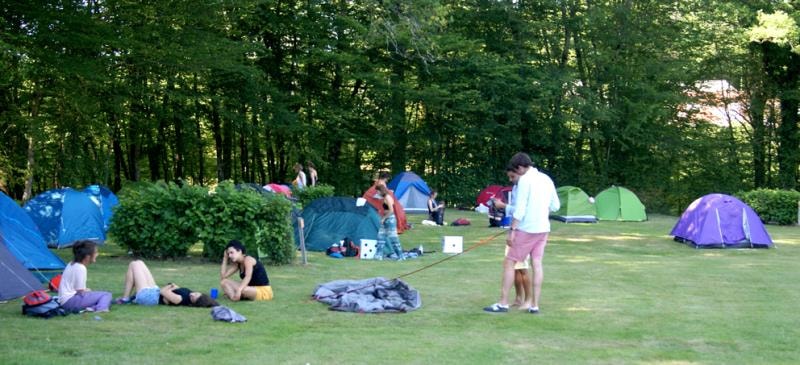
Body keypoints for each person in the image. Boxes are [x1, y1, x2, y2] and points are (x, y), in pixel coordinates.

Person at [484, 152, 559, 314]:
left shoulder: (525, 180)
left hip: (527, 228)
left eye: (516, 171)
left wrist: (512, 230)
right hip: (543, 228)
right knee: (537, 264)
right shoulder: (546, 179)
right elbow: (556, 206)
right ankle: (535, 305)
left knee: (509, 262)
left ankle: (503, 303)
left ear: (520, 167)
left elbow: (520, 209)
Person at [491, 167, 531, 308]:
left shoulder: (526, 187)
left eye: (512, 176)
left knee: (523, 268)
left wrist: (503, 205)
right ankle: (519, 298)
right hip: (514, 229)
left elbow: (521, 210)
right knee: (514, 268)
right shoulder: (516, 188)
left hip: (523, 231)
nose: (510, 180)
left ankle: (529, 300)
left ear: (520, 172)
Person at [114, 260, 218, 307]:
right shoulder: (188, 293)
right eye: (196, 293)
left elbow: (164, 291)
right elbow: (178, 289)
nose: (192, 294)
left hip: (149, 297)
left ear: (192, 303)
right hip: (154, 291)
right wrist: (174, 287)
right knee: (139, 262)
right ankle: (126, 298)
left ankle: (125, 298)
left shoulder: (179, 300)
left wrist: (170, 286)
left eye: (193, 297)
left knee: (134, 265)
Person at [58, 240, 112, 313]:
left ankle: (92, 308)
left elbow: (75, 288)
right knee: (106, 295)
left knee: (98, 296)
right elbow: (80, 292)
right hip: (70, 301)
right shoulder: (81, 268)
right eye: (95, 252)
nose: (97, 254)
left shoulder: (71, 264)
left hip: (64, 301)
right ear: (87, 257)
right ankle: (101, 309)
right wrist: (87, 291)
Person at [375, 184, 405, 260]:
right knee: (380, 236)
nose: (377, 192)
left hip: (390, 219)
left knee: (393, 238)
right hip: (385, 218)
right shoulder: (384, 197)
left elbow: (391, 210)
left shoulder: (388, 197)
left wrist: (384, 218)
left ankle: (401, 255)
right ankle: (378, 255)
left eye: (377, 191)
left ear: (380, 190)